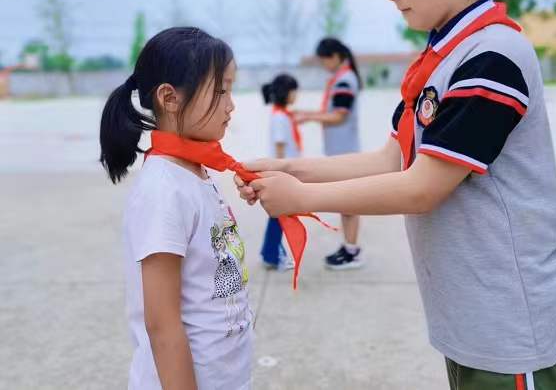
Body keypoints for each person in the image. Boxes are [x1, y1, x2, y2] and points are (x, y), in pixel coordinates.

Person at [239, 0, 556, 389]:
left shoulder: (491, 56)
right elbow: (390, 159)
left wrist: (299, 196)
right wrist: (288, 167)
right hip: (473, 319)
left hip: (512, 325)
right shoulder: (442, 58)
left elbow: (423, 187)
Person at [100, 27, 252, 390]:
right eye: (220, 90)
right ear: (169, 98)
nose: (231, 104)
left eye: (231, 89)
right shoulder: (163, 191)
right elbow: (162, 324)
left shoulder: (196, 173)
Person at [295, 38, 365, 270]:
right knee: (347, 204)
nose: (324, 65)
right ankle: (349, 247)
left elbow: (338, 116)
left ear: (334, 56)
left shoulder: (344, 80)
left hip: (345, 152)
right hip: (341, 151)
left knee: (350, 204)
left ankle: (352, 251)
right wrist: (309, 113)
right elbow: (333, 112)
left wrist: (309, 117)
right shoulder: (342, 78)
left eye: (324, 60)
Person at [260, 73, 301, 271]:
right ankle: (274, 255)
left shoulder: (283, 115)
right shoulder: (279, 118)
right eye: (294, 91)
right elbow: (280, 148)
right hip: (284, 173)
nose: (296, 95)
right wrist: (283, 175)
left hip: (287, 172)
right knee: (281, 216)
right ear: (286, 93)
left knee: (280, 216)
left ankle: (271, 253)